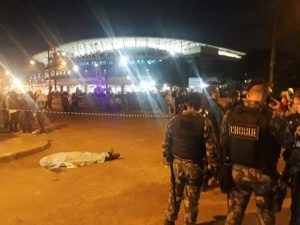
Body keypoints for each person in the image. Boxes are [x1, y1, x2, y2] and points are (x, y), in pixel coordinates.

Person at [221, 79, 294, 225]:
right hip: (263, 176)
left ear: (247, 94)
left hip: (237, 174)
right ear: (266, 95)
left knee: (233, 217)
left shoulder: (229, 114)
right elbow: (288, 142)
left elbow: (223, 141)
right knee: (264, 218)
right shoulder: (272, 117)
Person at [162, 93, 219, 225]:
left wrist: (168, 157)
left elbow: (166, 144)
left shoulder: (174, 120)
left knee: (174, 195)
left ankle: (169, 220)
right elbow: (212, 149)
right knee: (191, 201)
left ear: (186, 104)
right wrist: (212, 168)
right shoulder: (205, 122)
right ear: (199, 105)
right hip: (195, 167)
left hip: (176, 165)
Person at [283, 91, 300, 225]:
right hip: (294, 163)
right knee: (296, 197)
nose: (297, 107)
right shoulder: (291, 118)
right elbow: (285, 140)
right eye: (296, 104)